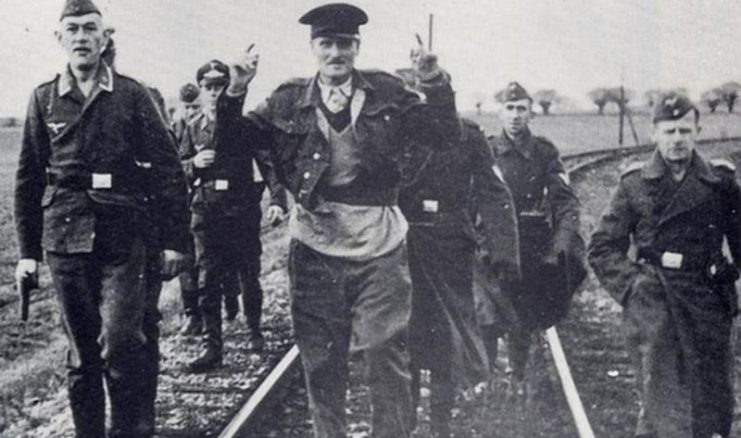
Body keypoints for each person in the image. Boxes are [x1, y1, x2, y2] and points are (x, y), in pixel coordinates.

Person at [214, 4, 459, 436]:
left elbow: (444, 135)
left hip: (378, 244)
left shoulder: (388, 92)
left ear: (356, 47)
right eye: (326, 44)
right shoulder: (288, 99)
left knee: (385, 352)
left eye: (344, 44)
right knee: (322, 360)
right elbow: (232, 146)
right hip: (315, 245)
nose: (335, 53)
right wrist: (235, 92)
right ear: (313, 48)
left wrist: (434, 81)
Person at [13, 0, 189, 437]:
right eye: (71, 29)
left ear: (104, 36)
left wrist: (174, 240)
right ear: (59, 39)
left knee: (122, 341)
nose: (81, 36)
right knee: (81, 353)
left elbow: (168, 169)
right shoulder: (44, 98)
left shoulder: (131, 95)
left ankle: (129, 430)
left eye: (90, 27)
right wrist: (27, 253)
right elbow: (29, 179)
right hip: (65, 237)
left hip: (124, 236)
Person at [588, 92, 741, 438]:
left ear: (697, 132)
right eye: (669, 131)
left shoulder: (720, 183)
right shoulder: (634, 184)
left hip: (707, 303)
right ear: (654, 133)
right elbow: (601, 248)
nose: (677, 140)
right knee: (662, 403)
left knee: (711, 404)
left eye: (685, 131)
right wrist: (635, 287)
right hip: (655, 305)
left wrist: (728, 275)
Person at [399, 103, 520, 436]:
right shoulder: (395, 130)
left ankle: (441, 423)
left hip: (450, 249)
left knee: (448, 338)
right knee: (402, 337)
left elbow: (494, 193)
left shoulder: (468, 135)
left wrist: (504, 253)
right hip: (400, 247)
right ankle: (404, 422)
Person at [475, 82, 585, 390]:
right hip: (491, 242)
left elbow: (565, 200)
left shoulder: (544, 152)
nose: (515, 116)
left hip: (530, 242)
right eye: (509, 109)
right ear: (500, 112)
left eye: (521, 108)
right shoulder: (486, 149)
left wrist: (560, 244)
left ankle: (517, 374)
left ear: (531, 112)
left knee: (521, 313)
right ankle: (488, 375)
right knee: (487, 310)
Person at [180, 59, 286, 372]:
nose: (214, 93)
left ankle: (254, 329)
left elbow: (268, 163)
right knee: (207, 277)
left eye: (220, 87)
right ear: (200, 90)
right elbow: (178, 167)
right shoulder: (192, 127)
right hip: (206, 210)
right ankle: (212, 347)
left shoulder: (246, 125)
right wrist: (194, 164)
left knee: (248, 274)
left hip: (240, 209)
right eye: (208, 87)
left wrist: (277, 200)